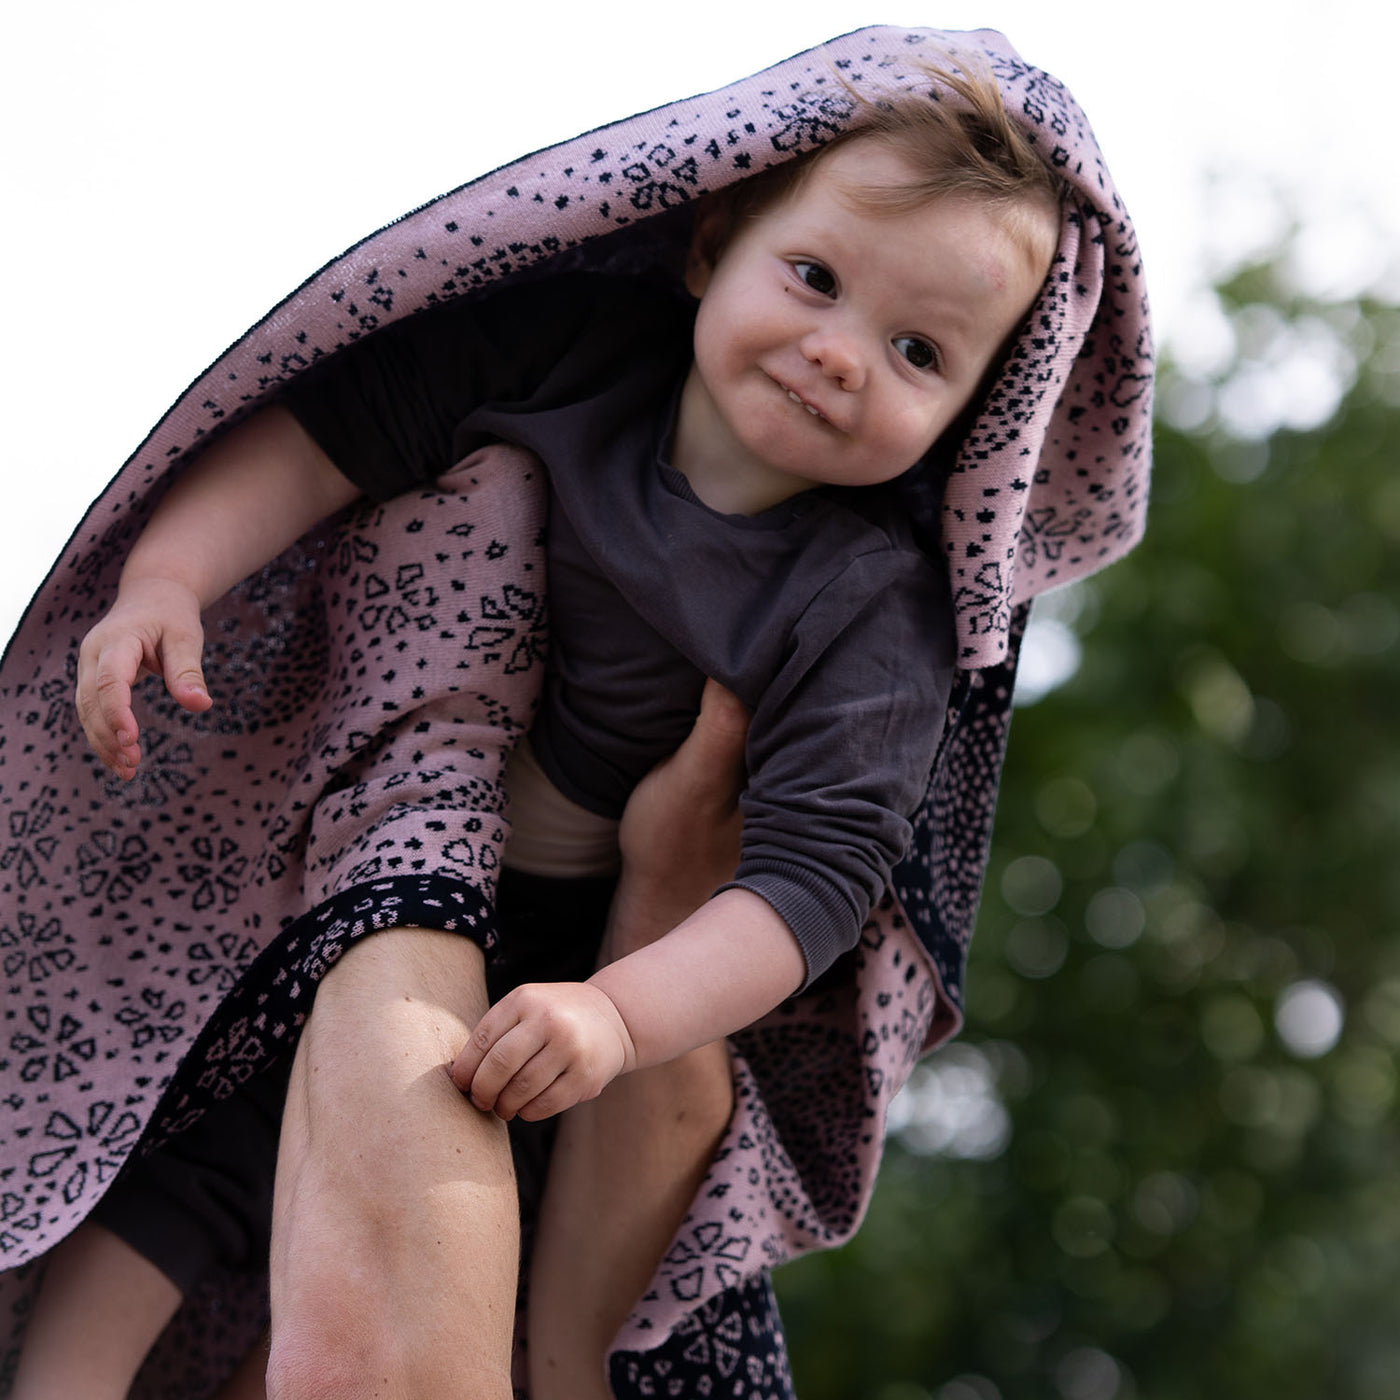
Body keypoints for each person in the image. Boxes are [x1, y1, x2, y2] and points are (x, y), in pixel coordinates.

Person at [0, 25, 1152, 1400]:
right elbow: (334, 428)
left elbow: (812, 885)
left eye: (917, 350)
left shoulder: (868, 606)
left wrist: (617, 1014)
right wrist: (169, 581)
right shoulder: (575, 353)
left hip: (585, 954)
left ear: (975, 420)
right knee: (200, 1135)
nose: (840, 352)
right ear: (710, 240)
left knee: (468, 1205)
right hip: (356, 836)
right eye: (816, 279)